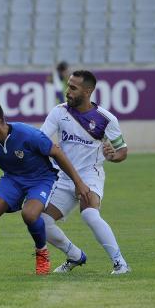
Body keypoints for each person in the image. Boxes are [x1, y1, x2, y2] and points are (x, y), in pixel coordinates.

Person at [0, 100, 91, 278]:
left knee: (30, 214)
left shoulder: (28, 135)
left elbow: (57, 152)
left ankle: (41, 252)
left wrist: (79, 183)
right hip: (12, 179)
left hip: (41, 178)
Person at [39, 70, 131, 275]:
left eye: (73, 88)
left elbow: (122, 150)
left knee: (90, 214)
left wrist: (113, 156)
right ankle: (74, 255)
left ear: (87, 91)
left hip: (90, 175)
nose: (67, 91)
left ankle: (120, 263)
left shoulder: (105, 119)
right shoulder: (58, 112)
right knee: (41, 221)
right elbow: (41, 138)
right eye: (67, 86)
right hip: (63, 177)